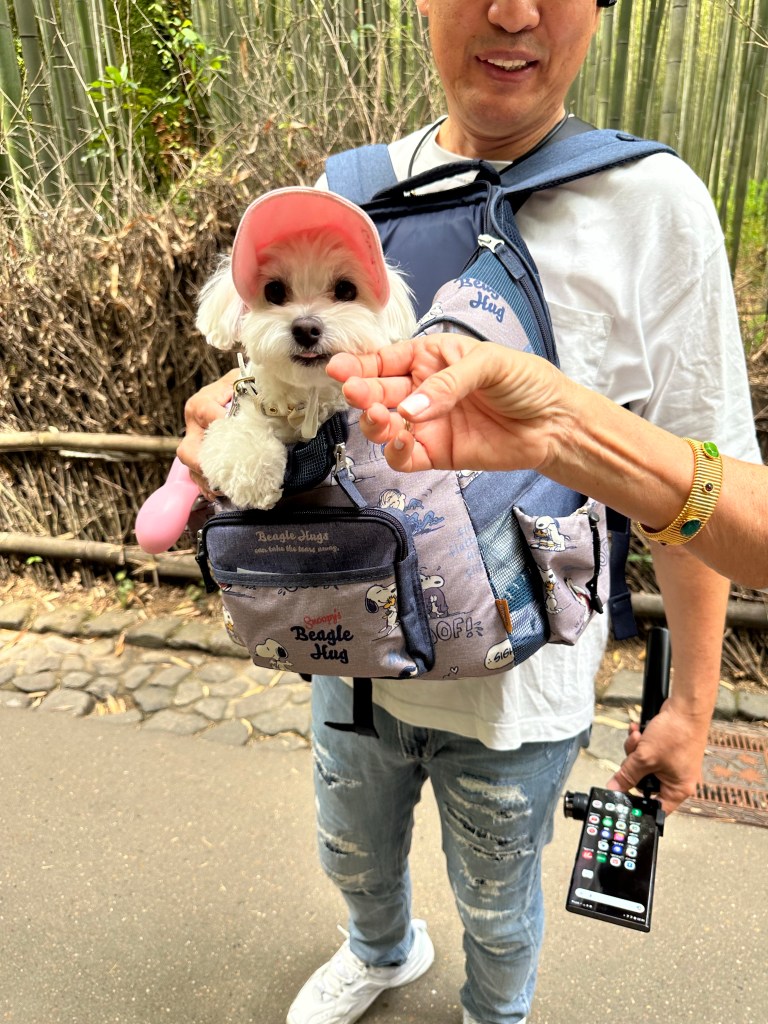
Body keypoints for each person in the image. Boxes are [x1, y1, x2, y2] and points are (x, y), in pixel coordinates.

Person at [177, 2, 761, 1022]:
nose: (513, 12)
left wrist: (690, 706)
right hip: (348, 648)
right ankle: (380, 949)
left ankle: (497, 1011)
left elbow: (703, 478)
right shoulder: (345, 194)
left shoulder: (652, 202)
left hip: (520, 689)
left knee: (498, 903)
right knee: (350, 849)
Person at [326, 338, 768, 590]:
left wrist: (691, 707)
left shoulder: (658, 210)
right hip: (350, 665)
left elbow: (705, 439)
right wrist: (558, 428)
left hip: (539, 685)